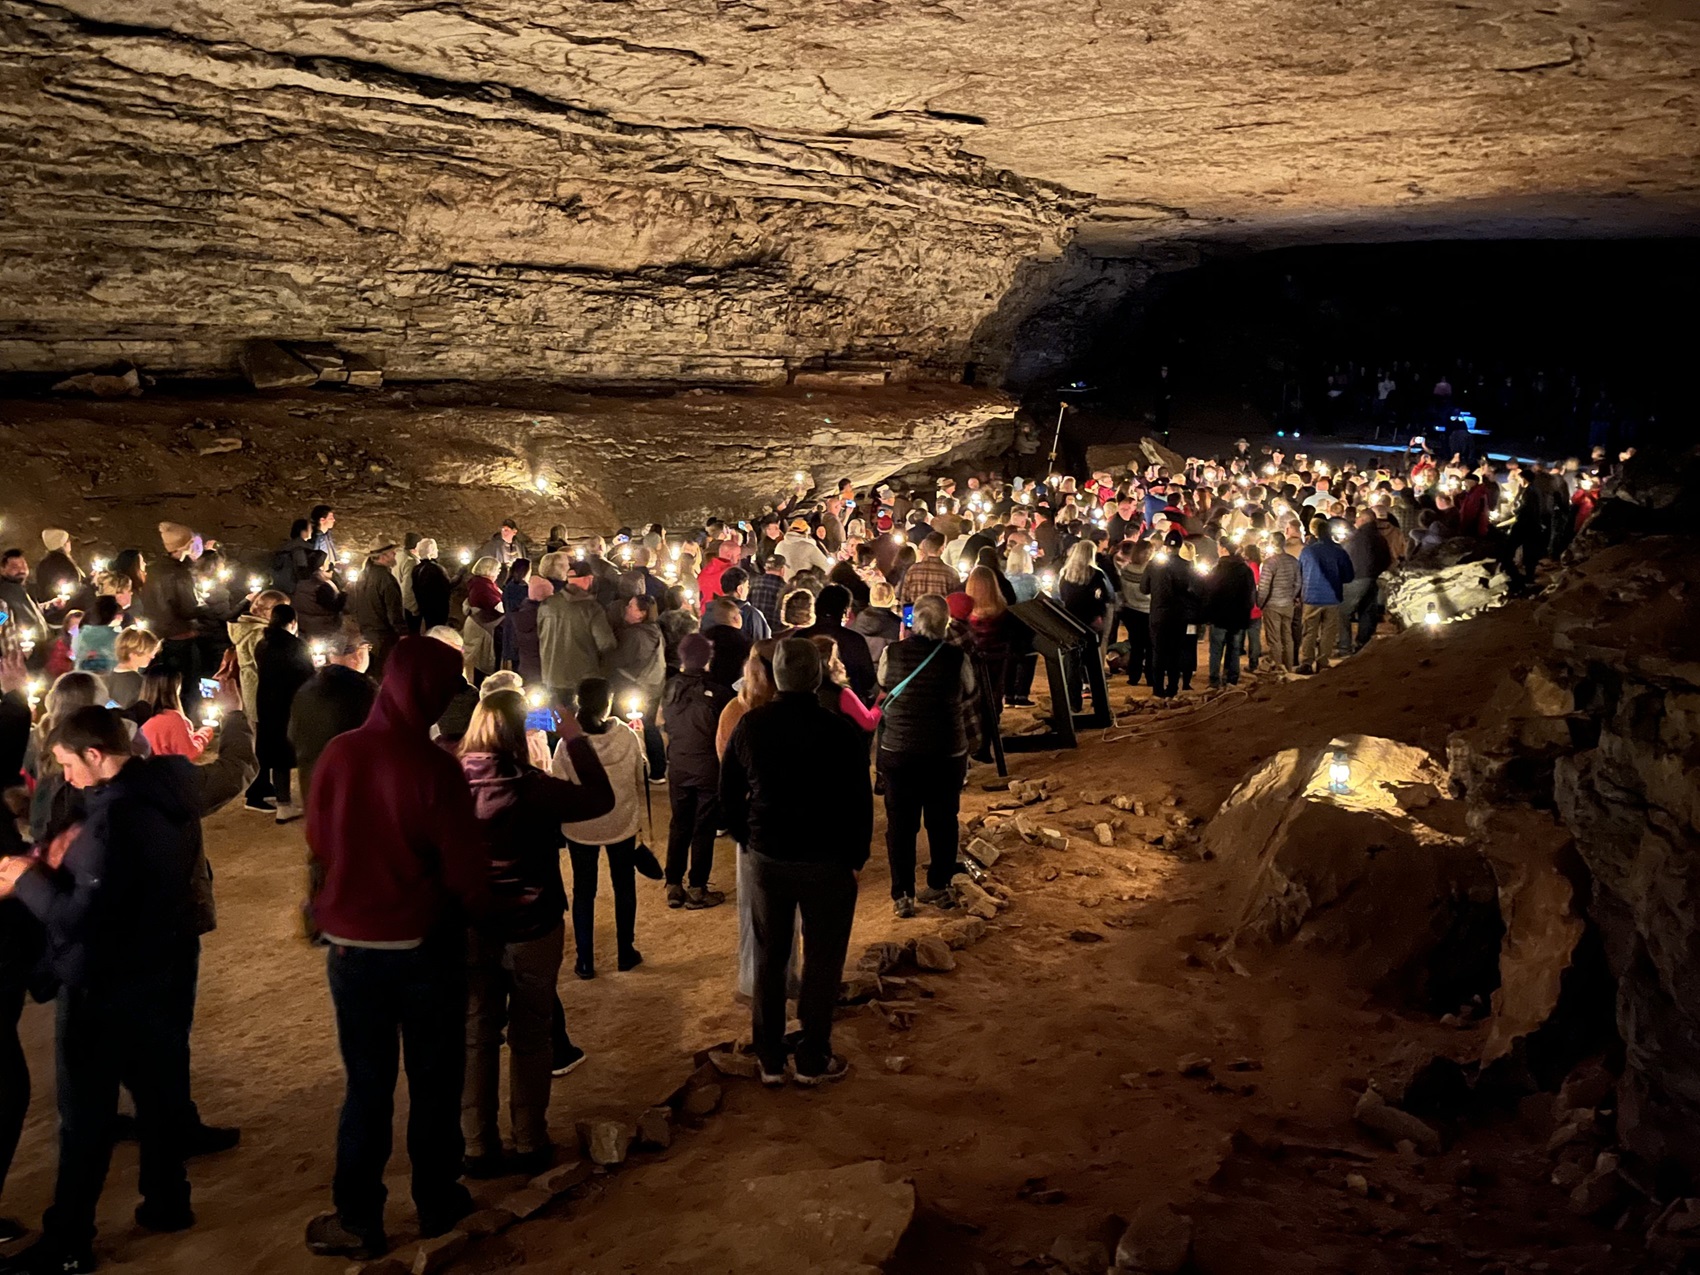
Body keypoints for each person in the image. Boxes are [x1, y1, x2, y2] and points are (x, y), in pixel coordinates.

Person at [303, 637, 490, 1260]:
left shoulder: (340, 753)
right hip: (423, 946)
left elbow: (320, 838)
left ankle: (358, 1217)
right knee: (435, 1078)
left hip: (352, 948)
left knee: (367, 1083)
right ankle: (437, 1199)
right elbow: (465, 870)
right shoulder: (434, 768)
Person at [0, 706, 202, 1273]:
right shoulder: (169, 790)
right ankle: (167, 1201)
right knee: (157, 1092)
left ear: (95, 754)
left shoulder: (114, 823)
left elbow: (77, 918)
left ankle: (68, 1240)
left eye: (69, 764)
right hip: (159, 968)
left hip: (101, 982)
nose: (67, 778)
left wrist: (27, 879)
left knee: (84, 1117)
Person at [457, 690, 613, 1177]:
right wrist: (574, 736)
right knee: (531, 1032)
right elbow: (599, 798)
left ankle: (477, 1145)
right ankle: (529, 1139)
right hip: (533, 919)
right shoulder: (533, 786)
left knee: (477, 1032)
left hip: (471, 924)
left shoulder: (446, 779)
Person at [720, 638, 870, 1085]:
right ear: (817, 675)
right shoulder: (839, 730)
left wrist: (749, 838)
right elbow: (859, 803)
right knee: (823, 960)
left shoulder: (752, 727)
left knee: (771, 956)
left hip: (769, 857)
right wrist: (855, 856)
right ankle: (812, 1056)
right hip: (826, 859)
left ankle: (769, 1057)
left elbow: (727, 795)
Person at [876, 595, 974, 919]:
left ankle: (903, 894)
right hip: (946, 751)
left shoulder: (893, 653)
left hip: (899, 750)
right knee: (943, 819)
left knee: (901, 824)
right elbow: (969, 690)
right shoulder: (956, 657)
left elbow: (882, 683)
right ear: (945, 623)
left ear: (913, 622)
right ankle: (940, 884)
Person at [553, 678, 648, 980]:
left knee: (584, 891)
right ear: (608, 704)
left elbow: (559, 782)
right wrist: (640, 739)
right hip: (621, 821)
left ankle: (585, 960)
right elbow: (640, 774)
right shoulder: (625, 737)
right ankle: (625, 951)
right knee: (624, 886)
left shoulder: (568, 742)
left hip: (582, 826)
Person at [659, 634, 733, 910]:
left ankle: (674, 885)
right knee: (703, 827)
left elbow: (660, 722)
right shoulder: (719, 693)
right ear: (708, 659)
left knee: (679, 824)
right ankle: (698, 888)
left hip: (678, 764)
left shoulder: (670, 688)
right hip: (708, 768)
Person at [254, 604, 315, 825]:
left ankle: (283, 803)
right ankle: (311, 801)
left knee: (277, 755)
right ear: (292, 623)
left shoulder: (263, 644)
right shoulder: (296, 645)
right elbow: (307, 676)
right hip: (291, 704)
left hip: (267, 704)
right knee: (302, 752)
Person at [152, 522, 217, 724]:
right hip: (183, 636)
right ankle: (187, 724)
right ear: (183, 546)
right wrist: (205, 604)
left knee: (170, 686)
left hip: (163, 635)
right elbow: (188, 608)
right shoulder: (179, 574)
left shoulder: (155, 570)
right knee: (188, 685)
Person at [537, 562, 615, 700]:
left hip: (551, 676)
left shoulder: (547, 604)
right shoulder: (591, 609)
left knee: (557, 719)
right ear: (589, 578)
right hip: (583, 680)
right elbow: (606, 643)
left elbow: (540, 634)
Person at [608, 595, 666, 778]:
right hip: (653, 686)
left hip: (633, 687)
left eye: (631, 606)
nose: (627, 608)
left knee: (634, 726)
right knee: (649, 726)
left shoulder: (635, 635)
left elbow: (617, 659)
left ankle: (634, 767)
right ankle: (658, 770)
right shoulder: (654, 630)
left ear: (642, 613)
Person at [796, 583, 875, 702]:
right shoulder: (855, 640)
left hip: (803, 706)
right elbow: (868, 679)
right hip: (847, 708)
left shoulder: (799, 637)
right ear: (845, 612)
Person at [1297, 516, 1354, 674]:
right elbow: (1349, 575)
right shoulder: (1339, 551)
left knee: (1309, 630)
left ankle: (1306, 662)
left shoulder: (1308, 551)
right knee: (1328, 632)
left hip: (1311, 596)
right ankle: (1322, 662)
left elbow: (1299, 572)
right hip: (1332, 596)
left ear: (1316, 534)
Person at [1142, 532, 1194, 700]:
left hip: (1158, 614)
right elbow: (1194, 590)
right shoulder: (1188, 566)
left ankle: (1157, 689)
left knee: (1158, 652)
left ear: (1165, 546)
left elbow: (1144, 588)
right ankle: (1172, 688)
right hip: (1179, 615)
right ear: (1180, 547)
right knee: (1175, 652)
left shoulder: (1154, 565)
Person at [349, 536, 407, 679]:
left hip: (366, 634)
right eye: (392, 552)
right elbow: (394, 611)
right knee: (384, 676)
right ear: (383, 556)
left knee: (370, 675)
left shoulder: (363, 576)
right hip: (383, 637)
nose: (395, 554)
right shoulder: (386, 579)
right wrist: (403, 634)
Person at [1204, 544, 1255, 688]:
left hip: (1218, 616)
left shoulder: (1217, 569)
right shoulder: (1245, 570)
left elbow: (1209, 592)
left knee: (1216, 649)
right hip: (1238, 616)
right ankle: (1232, 678)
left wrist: (1208, 613)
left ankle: (1214, 680)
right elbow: (1251, 594)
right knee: (1234, 649)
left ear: (1224, 550)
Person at [138, 669, 213, 761]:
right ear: (174, 687)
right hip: (169, 771)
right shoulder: (172, 718)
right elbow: (189, 753)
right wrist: (205, 732)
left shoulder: (140, 715)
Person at [1256, 535, 1302, 672]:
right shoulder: (1293, 561)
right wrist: (1291, 596)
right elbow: (1298, 582)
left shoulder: (1269, 563)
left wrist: (1260, 603)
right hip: (1287, 604)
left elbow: (1264, 587)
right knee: (1287, 636)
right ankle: (1289, 666)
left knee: (1274, 639)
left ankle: (1278, 667)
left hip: (1273, 605)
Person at [460, 557, 504, 685]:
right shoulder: (484, 587)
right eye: (497, 569)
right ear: (489, 570)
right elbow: (498, 607)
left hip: (477, 625)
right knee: (479, 661)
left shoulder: (479, 582)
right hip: (481, 627)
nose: (499, 572)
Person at [291, 550, 345, 641]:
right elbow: (334, 607)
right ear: (321, 566)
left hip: (303, 625)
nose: (329, 563)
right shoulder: (323, 587)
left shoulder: (301, 582)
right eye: (327, 561)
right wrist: (344, 594)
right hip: (321, 628)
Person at [897, 533, 960, 604]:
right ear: (942, 548)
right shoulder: (951, 573)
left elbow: (904, 599)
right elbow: (955, 601)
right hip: (940, 613)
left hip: (917, 613)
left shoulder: (912, 570)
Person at [69, 596, 121, 674]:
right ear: (113, 616)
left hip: (81, 678)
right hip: (108, 681)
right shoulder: (117, 638)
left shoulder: (78, 634)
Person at [746, 555, 787, 631]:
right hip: (776, 632)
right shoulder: (785, 588)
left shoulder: (753, 583)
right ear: (782, 570)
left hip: (754, 628)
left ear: (765, 568)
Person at [273, 519, 313, 595]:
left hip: (279, 584)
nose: (311, 531)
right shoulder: (303, 547)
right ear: (303, 531)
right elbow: (302, 568)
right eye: (310, 528)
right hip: (294, 587)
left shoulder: (285, 546)